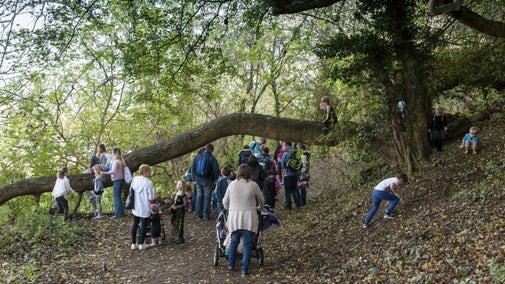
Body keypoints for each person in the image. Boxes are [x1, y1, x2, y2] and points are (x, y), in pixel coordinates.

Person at [223, 164, 265, 276]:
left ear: (238, 172)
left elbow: (224, 201)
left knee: (234, 241)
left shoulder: (232, 185)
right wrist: (258, 209)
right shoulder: (253, 185)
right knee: (247, 244)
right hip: (249, 218)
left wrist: (230, 209)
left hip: (234, 217)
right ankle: (244, 268)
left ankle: (231, 264)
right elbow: (262, 200)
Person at [191, 143, 219, 220]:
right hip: (208, 180)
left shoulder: (197, 156)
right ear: (211, 150)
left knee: (199, 196)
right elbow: (216, 169)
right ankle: (206, 215)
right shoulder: (211, 158)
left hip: (198, 179)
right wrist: (215, 179)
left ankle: (198, 213)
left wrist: (193, 179)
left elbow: (193, 168)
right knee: (207, 197)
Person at [130, 164, 155, 250]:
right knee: (143, 226)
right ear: (145, 172)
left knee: (135, 224)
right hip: (144, 207)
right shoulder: (148, 182)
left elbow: (132, 190)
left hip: (136, 206)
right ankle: (141, 243)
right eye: (148, 171)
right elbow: (151, 197)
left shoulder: (135, 179)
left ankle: (133, 243)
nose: (150, 172)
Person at [102, 148, 126, 219]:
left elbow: (113, 171)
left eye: (112, 153)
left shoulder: (116, 161)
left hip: (117, 180)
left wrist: (103, 172)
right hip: (121, 180)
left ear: (115, 153)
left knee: (116, 197)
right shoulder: (121, 161)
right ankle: (121, 213)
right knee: (118, 197)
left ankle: (117, 214)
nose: (111, 154)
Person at [281, 141, 301, 210]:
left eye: (283, 145)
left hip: (288, 174)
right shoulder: (296, 152)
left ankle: (288, 206)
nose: (283, 147)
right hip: (295, 174)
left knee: (287, 191)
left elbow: (282, 164)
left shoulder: (286, 154)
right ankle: (298, 204)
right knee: (294, 190)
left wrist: (286, 168)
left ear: (287, 145)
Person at [171, 180, 188, 244]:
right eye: (178, 184)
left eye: (180, 184)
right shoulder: (175, 194)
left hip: (180, 211)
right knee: (174, 222)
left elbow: (185, 204)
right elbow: (173, 202)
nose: (179, 185)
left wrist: (177, 207)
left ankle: (180, 238)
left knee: (180, 223)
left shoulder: (183, 195)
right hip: (174, 211)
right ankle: (174, 236)